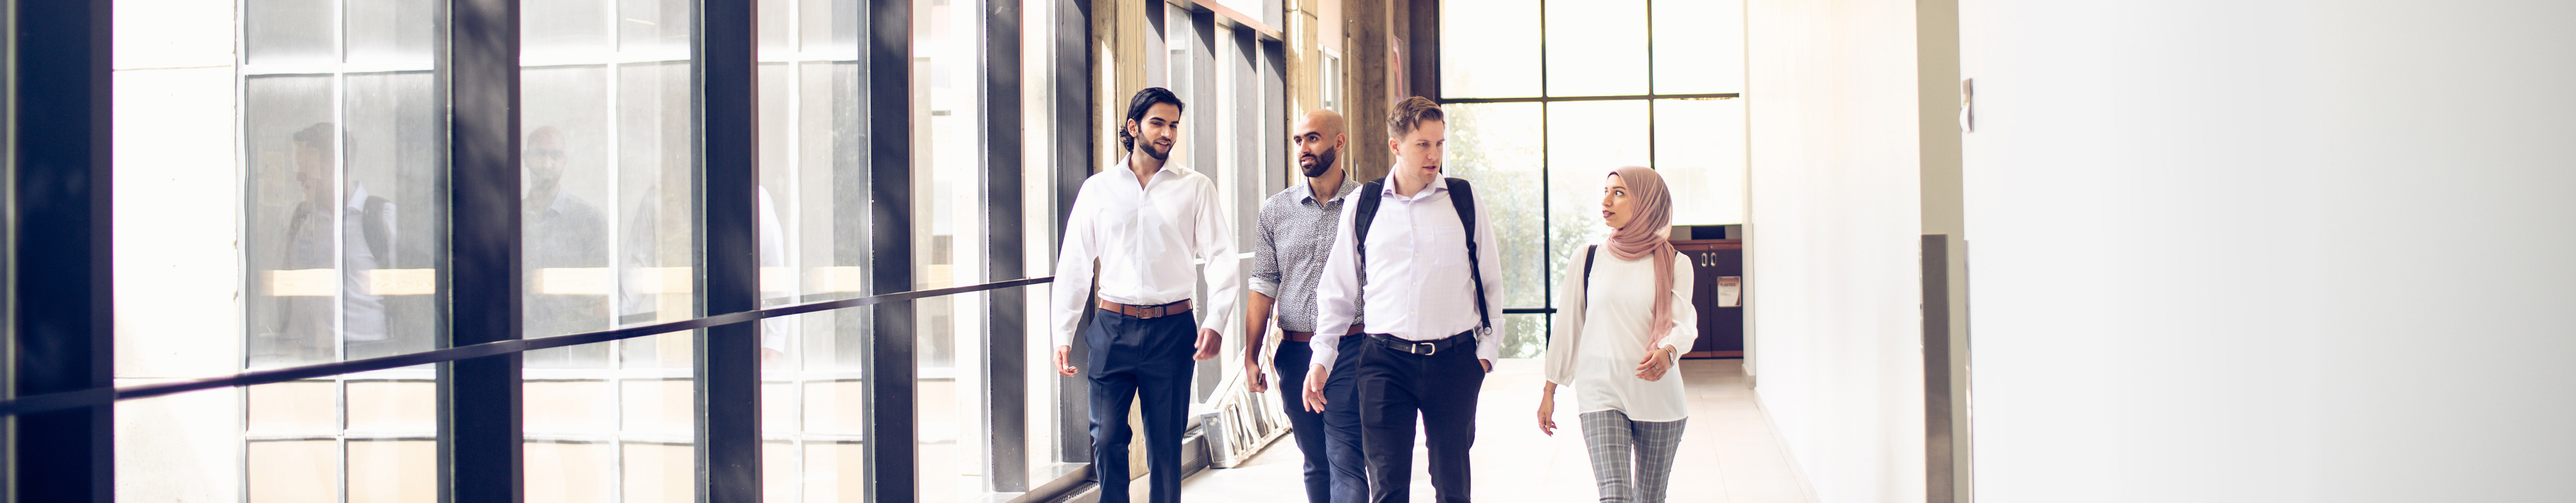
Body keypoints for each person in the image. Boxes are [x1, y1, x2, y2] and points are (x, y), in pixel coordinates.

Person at [1304, 96, 1504, 503]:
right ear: (1396, 146)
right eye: (1423, 145)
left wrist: (1486, 353)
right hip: (1384, 362)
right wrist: (1322, 356)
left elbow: (1491, 282)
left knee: (1452, 484)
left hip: (1454, 363)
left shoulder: (1464, 200)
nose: (1435, 155)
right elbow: (1339, 289)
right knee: (1387, 483)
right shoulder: (1365, 203)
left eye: (1440, 144)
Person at [1050, 87, 1240, 503]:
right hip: (1112, 328)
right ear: (1133, 126)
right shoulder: (1098, 190)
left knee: (1167, 447)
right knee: (1107, 437)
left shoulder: (1196, 188)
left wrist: (1216, 320)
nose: (1168, 133)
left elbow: (1223, 259)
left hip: (1173, 332)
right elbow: (1075, 265)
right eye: (1158, 123)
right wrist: (1062, 333)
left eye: (1174, 125)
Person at [1536, 166, 1698, 503]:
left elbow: (1684, 323)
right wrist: (1550, 388)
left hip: (1658, 396)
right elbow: (1568, 326)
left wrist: (1668, 352)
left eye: (1620, 192)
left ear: (1647, 202)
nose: (1606, 200)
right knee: (1616, 496)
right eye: (1606, 191)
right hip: (1600, 390)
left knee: (1650, 498)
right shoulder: (1588, 259)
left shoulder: (1676, 263)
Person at [1245, 109, 1366, 503]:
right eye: (1298, 140)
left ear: (1339, 141)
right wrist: (1251, 355)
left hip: (1353, 349)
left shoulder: (1368, 206)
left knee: (1345, 455)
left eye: (1313, 138)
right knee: (1315, 460)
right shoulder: (1276, 211)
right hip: (1295, 352)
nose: (1303, 148)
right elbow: (1263, 285)